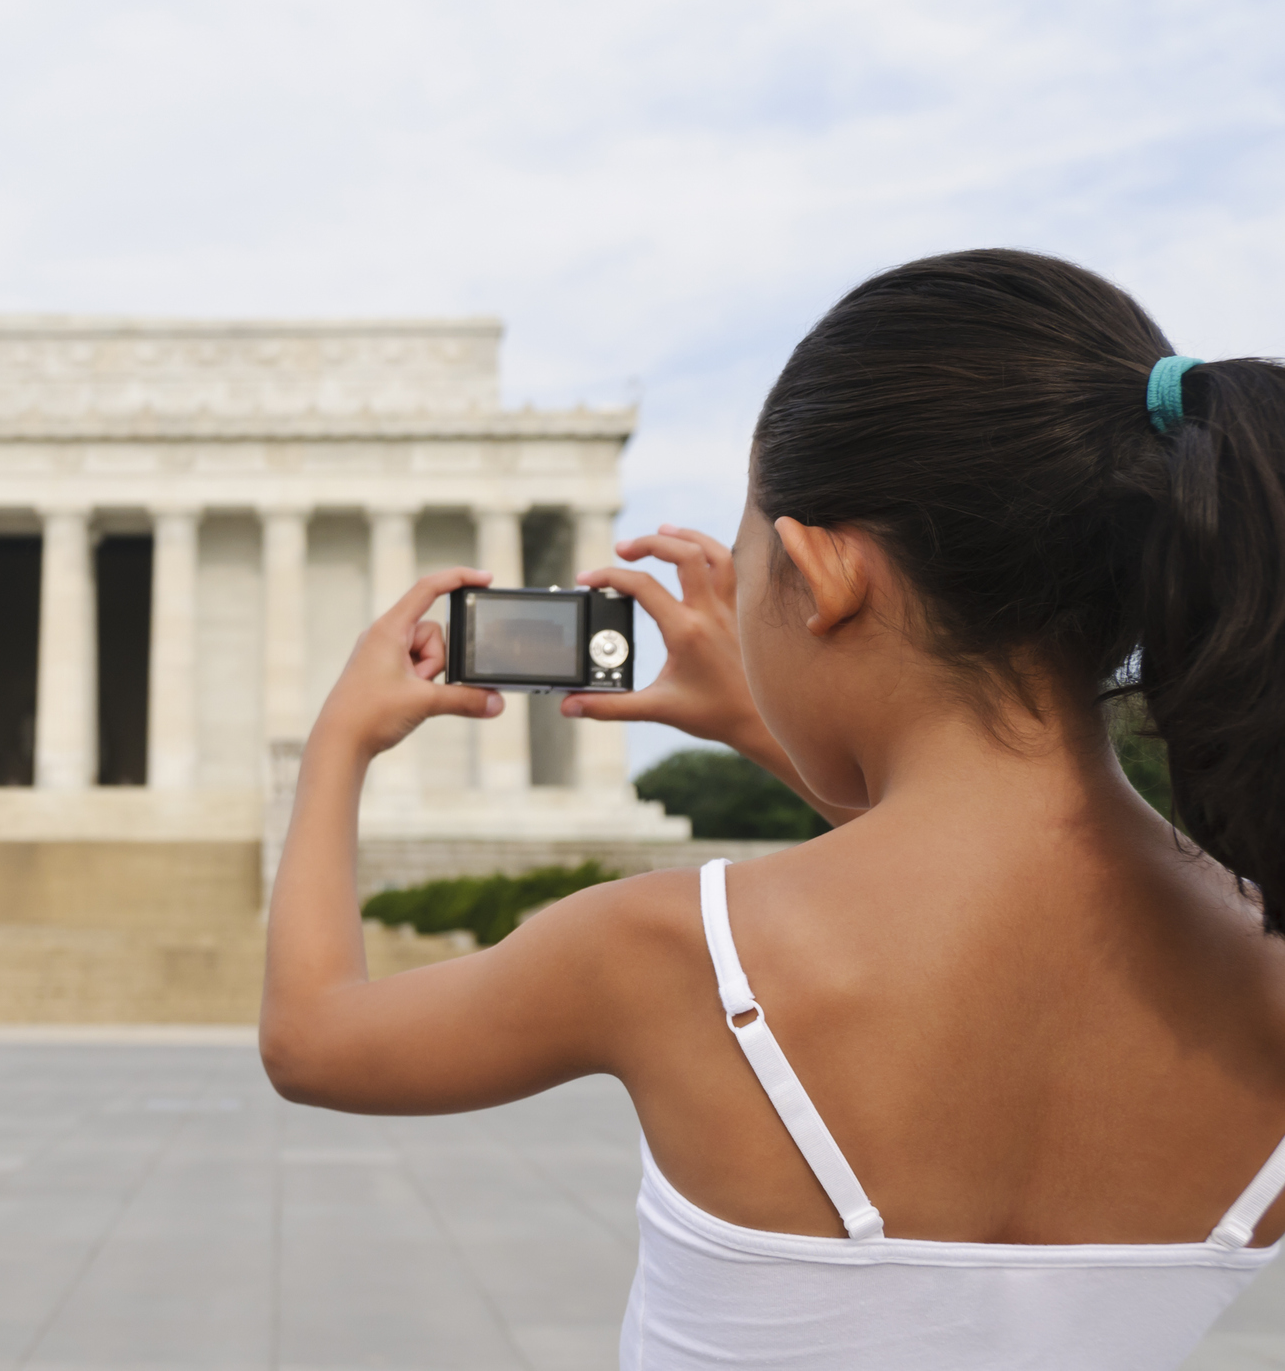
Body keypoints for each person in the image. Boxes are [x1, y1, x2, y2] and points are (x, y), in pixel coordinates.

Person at [258, 249, 1285, 1369]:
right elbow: (994, 888)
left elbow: (314, 1041)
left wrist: (337, 745)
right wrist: (762, 720)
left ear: (821, 570)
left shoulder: (664, 949)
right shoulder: (1263, 972)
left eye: (745, 553)